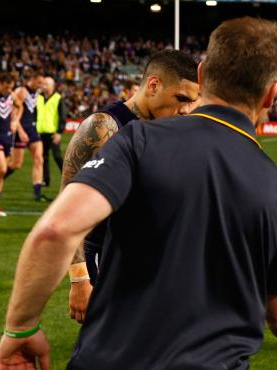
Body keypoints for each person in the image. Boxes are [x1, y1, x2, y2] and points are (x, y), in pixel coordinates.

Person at [0, 17, 277, 370]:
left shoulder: (138, 142)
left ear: (203, 75)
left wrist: (21, 327)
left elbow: (55, 230)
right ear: (271, 95)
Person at [65, 49, 202, 324]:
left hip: (152, 261)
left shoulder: (171, 128)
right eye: (181, 99)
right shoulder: (103, 127)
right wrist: (80, 279)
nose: (186, 109)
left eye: (192, 102)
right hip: (107, 259)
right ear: (153, 85)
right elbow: (68, 208)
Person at [5, 69, 46, 201]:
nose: (40, 85)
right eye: (39, 82)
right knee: (16, 164)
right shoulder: (21, 91)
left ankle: (37, 193)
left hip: (32, 130)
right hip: (20, 130)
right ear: (32, 79)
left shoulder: (37, 93)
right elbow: (14, 112)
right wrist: (20, 130)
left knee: (39, 158)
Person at [0, 72, 22, 217]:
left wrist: (15, 121)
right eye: (6, 87)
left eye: (11, 88)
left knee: (2, 171)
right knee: (1, 169)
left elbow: (20, 106)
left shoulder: (11, 95)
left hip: (7, 136)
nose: (8, 90)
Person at [36, 76, 66, 188]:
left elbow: (63, 116)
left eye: (46, 84)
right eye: (43, 84)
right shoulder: (38, 97)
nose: (44, 86)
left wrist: (59, 132)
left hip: (53, 133)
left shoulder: (58, 98)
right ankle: (46, 180)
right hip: (41, 132)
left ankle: (69, 178)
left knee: (57, 156)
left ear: (52, 86)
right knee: (43, 157)